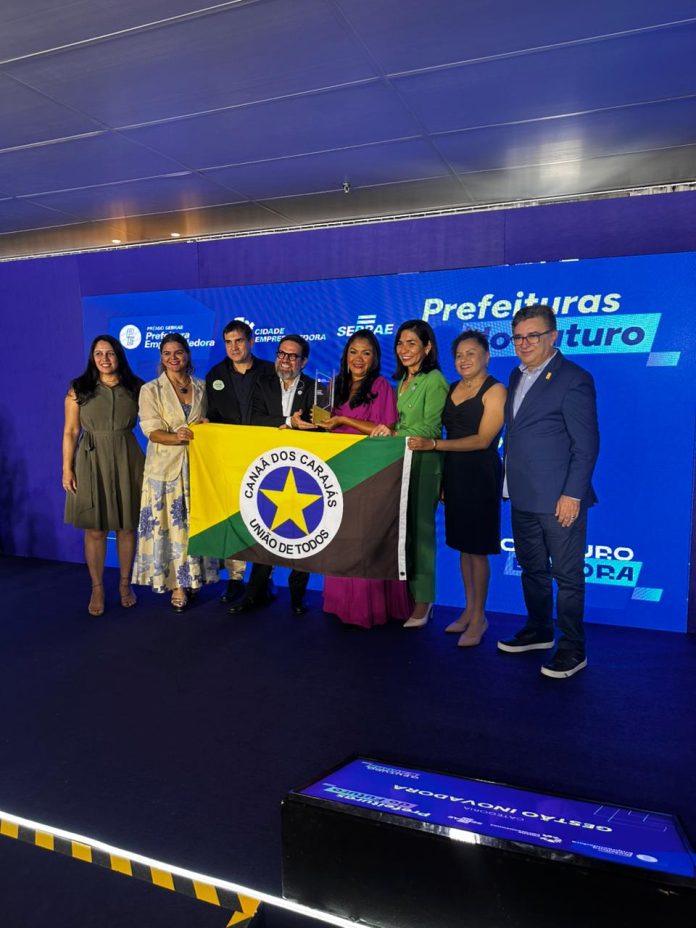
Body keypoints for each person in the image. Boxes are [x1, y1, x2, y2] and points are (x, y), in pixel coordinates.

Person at [497, 304, 599, 679]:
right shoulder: (515, 375)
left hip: (559, 500)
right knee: (533, 569)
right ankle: (539, 630)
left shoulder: (574, 378)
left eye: (533, 335)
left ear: (553, 336)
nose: (524, 343)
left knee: (568, 577)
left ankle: (572, 648)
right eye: (518, 337)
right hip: (521, 495)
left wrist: (572, 495)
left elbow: (586, 445)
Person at [409, 331, 506, 646]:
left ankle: (479, 618)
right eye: (459, 355)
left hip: (481, 475)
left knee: (477, 550)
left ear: (486, 356)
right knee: (463, 548)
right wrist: (442, 479)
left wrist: (434, 445)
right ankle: (468, 610)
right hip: (454, 472)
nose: (464, 360)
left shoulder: (496, 391)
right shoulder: (451, 388)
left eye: (471, 353)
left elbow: (483, 440)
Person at [318, 330, 413, 627]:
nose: (358, 358)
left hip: (369, 472)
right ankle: (340, 603)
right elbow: (321, 425)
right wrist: (298, 423)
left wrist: (344, 420)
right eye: (353, 352)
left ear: (375, 358)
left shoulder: (381, 386)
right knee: (340, 538)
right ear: (345, 355)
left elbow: (384, 430)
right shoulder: (333, 385)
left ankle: (366, 608)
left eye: (366, 353)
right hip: (338, 472)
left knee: (364, 540)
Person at [229, 334, 316, 616]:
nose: (285, 360)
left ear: (304, 361)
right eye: (281, 354)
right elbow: (254, 419)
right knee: (266, 533)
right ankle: (254, 593)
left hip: (304, 470)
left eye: (292, 356)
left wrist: (303, 426)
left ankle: (298, 597)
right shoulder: (262, 383)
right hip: (269, 469)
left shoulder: (316, 388)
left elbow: (319, 425)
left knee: (303, 534)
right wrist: (289, 422)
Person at [132, 334, 218, 611]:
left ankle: (194, 577)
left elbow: (208, 424)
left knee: (194, 527)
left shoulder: (202, 386)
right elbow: (152, 431)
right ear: (161, 357)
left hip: (197, 469)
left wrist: (207, 426)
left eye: (178, 352)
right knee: (171, 530)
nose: (173, 358)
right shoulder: (150, 390)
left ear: (187, 354)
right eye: (167, 353)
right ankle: (177, 585)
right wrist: (177, 437)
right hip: (164, 471)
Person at [372, 320, 448, 628]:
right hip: (399, 464)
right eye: (400, 343)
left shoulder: (435, 380)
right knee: (403, 535)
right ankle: (407, 597)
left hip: (424, 464)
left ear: (427, 347)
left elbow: (431, 428)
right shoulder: (402, 379)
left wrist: (394, 433)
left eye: (412, 343)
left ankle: (424, 602)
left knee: (421, 535)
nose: (404, 349)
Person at [63, 335, 145, 616]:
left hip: (127, 458)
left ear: (119, 355)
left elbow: (155, 422)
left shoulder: (136, 387)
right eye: (98, 354)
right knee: (95, 529)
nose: (104, 359)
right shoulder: (79, 388)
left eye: (109, 353)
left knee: (127, 526)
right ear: (92, 357)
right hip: (91, 460)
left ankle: (125, 585)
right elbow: (71, 431)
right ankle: (97, 588)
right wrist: (67, 468)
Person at [205, 319, 275, 604]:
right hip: (230, 458)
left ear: (251, 342)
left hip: (264, 456)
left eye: (239, 341)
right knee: (234, 520)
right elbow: (210, 415)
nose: (234, 347)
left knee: (265, 517)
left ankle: (263, 579)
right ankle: (235, 579)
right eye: (228, 342)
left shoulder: (270, 372)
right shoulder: (215, 374)